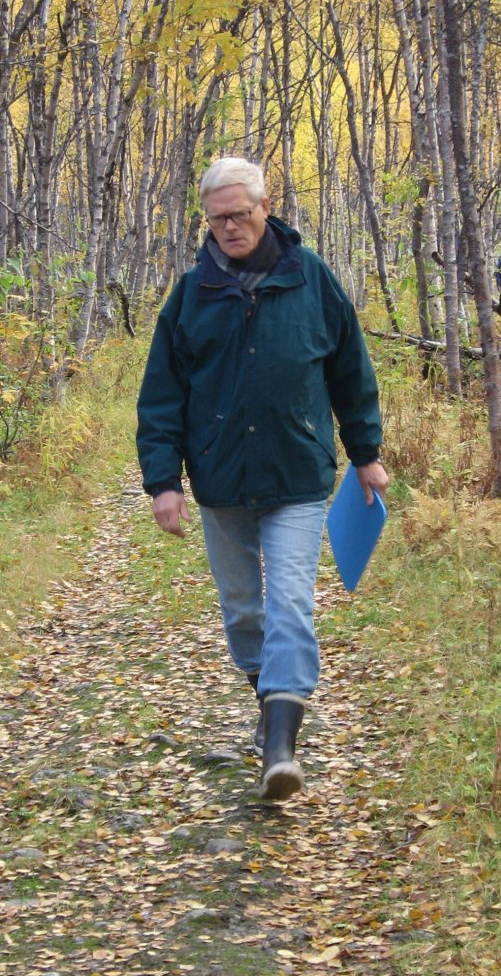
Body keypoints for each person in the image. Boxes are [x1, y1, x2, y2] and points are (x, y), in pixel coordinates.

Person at [136, 157, 387, 802]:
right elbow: (161, 397)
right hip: (221, 480)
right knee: (245, 611)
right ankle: (270, 700)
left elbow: (350, 371)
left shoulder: (312, 280)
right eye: (216, 218)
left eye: (239, 214)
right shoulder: (191, 294)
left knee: (291, 605)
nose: (228, 228)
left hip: (299, 474)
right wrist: (164, 481)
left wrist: (366, 452)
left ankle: (281, 747)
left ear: (265, 206)